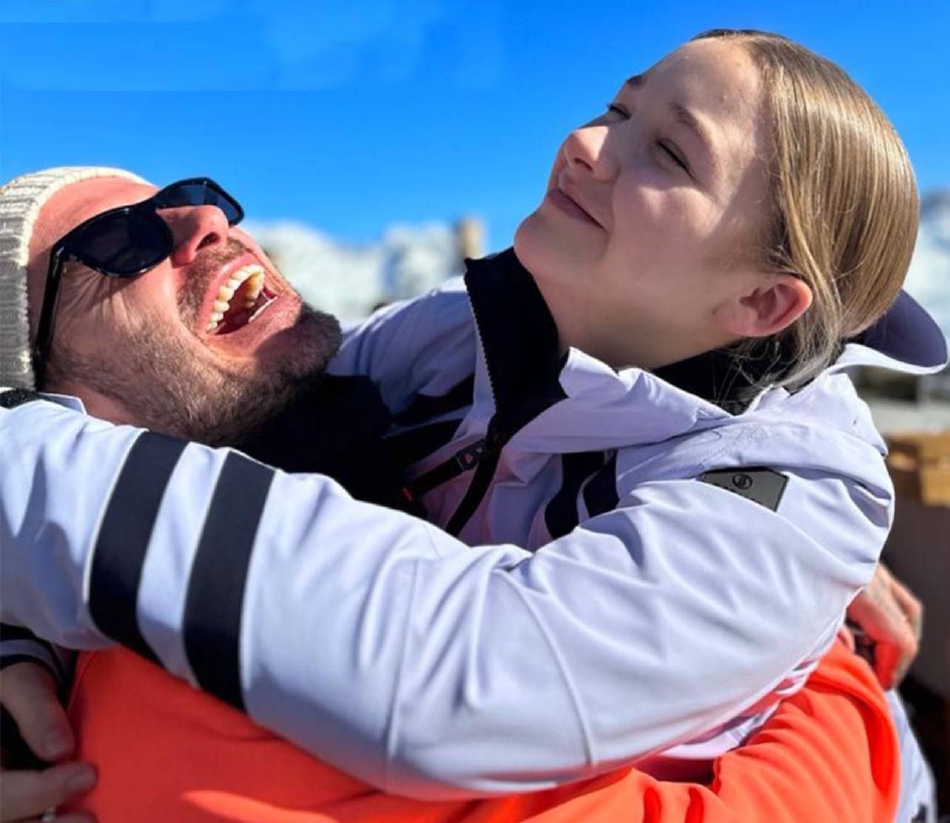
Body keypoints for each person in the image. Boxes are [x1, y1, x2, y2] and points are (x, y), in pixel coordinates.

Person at [0, 27, 944, 820]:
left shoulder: (782, 484)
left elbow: (483, 672)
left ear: (762, 303)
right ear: (50, 390)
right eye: (117, 243)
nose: (584, 141)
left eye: (669, 150)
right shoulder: (469, 336)